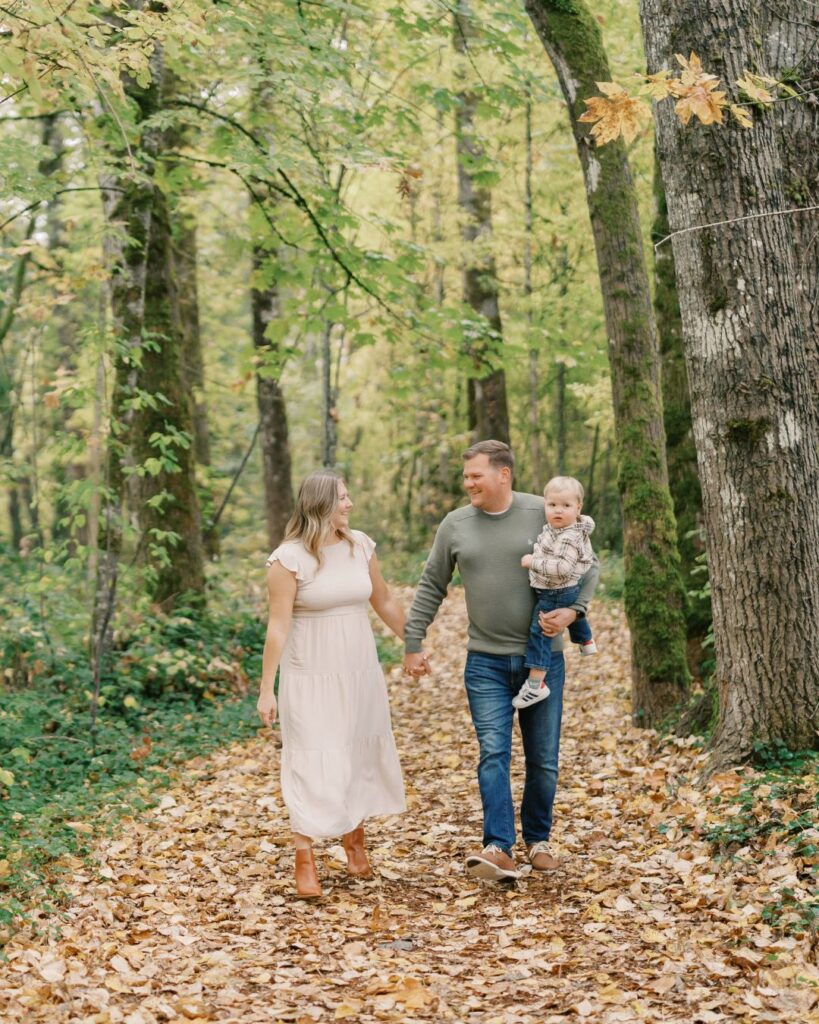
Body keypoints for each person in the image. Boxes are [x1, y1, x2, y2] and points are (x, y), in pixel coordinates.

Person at [403, 440, 598, 881]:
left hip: (543, 660)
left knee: (543, 758)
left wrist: (574, 611)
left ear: (503, 474)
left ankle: (539, 840)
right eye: (466, 475)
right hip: (485, 662)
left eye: (476, 475)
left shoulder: (543, 510)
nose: (467, 482)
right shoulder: (456, 525)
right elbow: (432, 584)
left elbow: (590, 565)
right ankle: (498, 847)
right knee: (493, 752)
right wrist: (414, 640)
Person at [257, 470, 406, 898]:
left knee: (355, 750)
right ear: (320, 504)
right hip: (309, 672)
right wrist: (268, 689)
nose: (350, 504)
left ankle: (354, 842)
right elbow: (278, 628)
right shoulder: (287, 559)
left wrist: (413, 644)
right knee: (310, 757)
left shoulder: (360, 545)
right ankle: (305, 857)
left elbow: (384, 599)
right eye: (342, 497)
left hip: (357, 667)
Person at [514, 475, 597, 711]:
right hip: (564, 591)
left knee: (540, 631)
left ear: (578, 508)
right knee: (568, 612)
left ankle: (535, 683)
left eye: (566, 506)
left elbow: (562, 569)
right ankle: (585, 640)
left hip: (555, 591)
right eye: (552, 505)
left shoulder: (568, 536)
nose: (558, 511)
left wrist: (534, 561)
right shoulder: (562, 529)